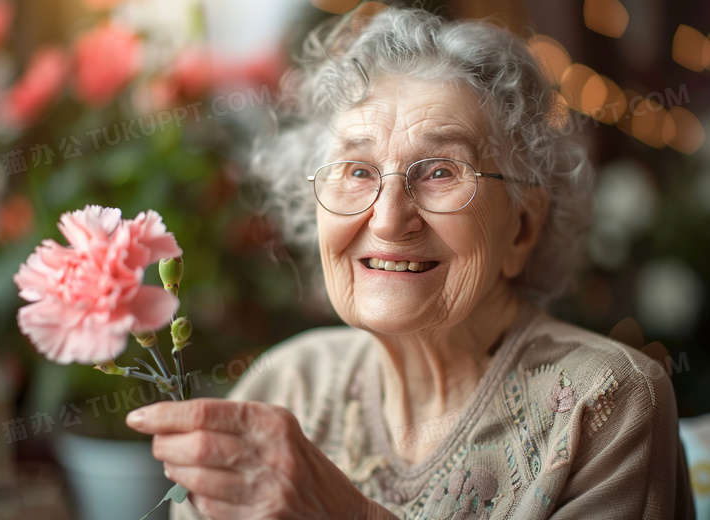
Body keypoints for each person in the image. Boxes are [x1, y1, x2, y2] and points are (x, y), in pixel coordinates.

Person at [125, 5, 695, 519]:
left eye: (441, 171)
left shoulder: (605, 402)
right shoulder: (286, 384)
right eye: (357, 171)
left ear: (522, 227)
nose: (388, 220)